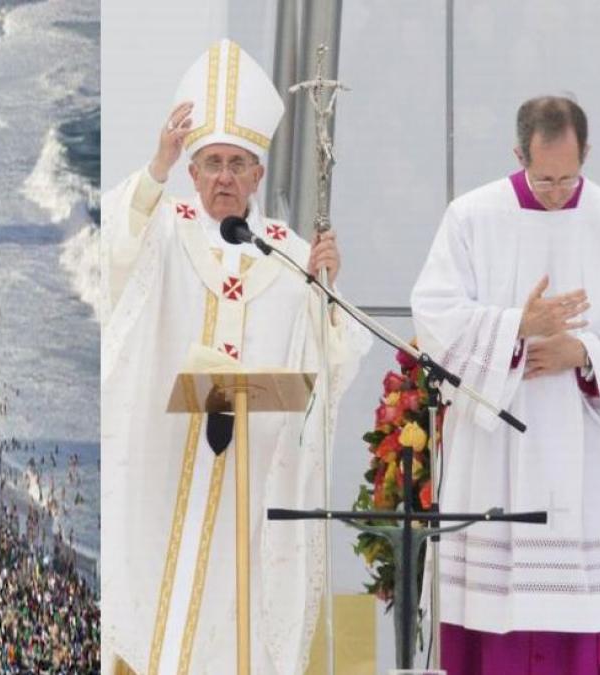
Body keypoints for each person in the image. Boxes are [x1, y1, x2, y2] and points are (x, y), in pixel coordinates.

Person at [100, 39, 369, 675]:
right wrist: (154, 170)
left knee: (234, 616)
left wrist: (327, 295)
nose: (224, 175)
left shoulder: (289, 254)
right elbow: (112, 261)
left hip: (246, 486)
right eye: (212, 161)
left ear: (258, 175)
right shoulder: (165, 228)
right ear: (192, 170)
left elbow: (327, 366)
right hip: (167, 469)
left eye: (238, 162)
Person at [411, 95, 600, 675]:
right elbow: (433, 316)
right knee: (498, 623)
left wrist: (582, 351)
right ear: (517, 154)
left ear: (586, 155)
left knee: (587, 623)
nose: (557, 191)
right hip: (499, 448)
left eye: (568, 177)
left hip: (587, 454)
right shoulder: (472, 217)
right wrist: (517, 329)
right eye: (544, 178)